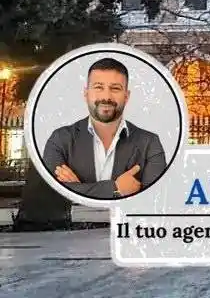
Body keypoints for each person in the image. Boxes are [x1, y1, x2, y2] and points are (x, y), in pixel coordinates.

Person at [41, 57, 167, 199]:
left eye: (115, 88)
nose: (106, 96)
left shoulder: (149, 143)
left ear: (126, 96)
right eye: (98, 87)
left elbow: (155, 197)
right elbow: (51, 193)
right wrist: (115, 188)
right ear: (86, 93)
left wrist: (76, 189)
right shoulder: (60, 139)